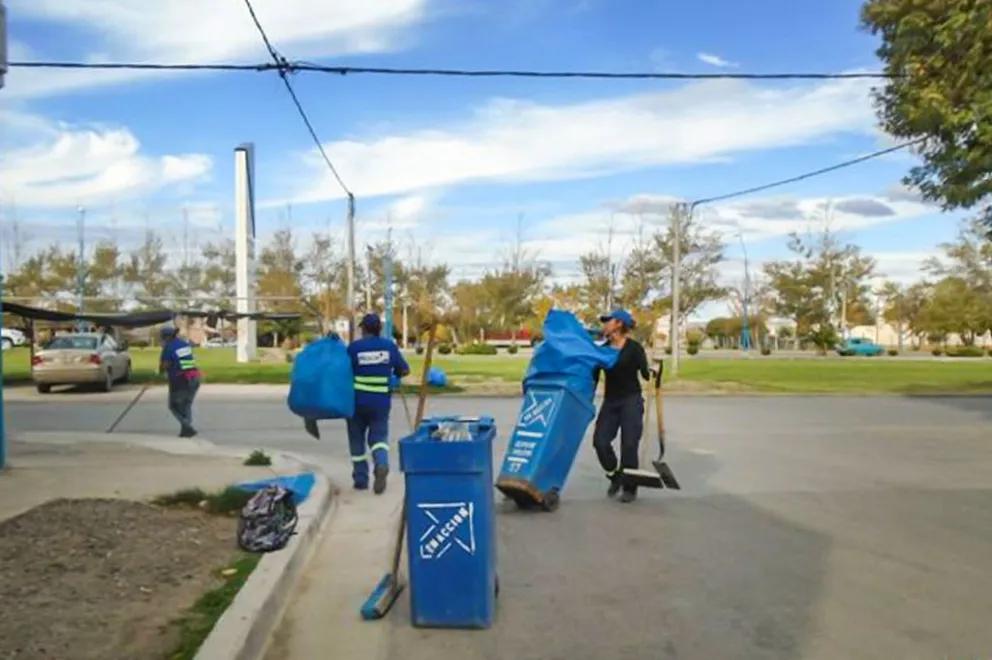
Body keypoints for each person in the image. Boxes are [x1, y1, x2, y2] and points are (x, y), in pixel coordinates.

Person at [592, 309, 651, 503]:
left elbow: (646, 373)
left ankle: (629, 487)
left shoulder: (634, 348)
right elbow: (593, 376)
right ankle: (614, 475)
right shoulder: (603, 349)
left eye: (607, 321)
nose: (604, 325)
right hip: (611, 401)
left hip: (631, 400)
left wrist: (655, 370)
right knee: (600, 442)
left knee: (629, 444)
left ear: (618, 324)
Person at [346, 313, 410, 494]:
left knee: (356, 439)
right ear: (379, 329)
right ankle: (381, 463)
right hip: (380, 402)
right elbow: (404, 369)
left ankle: (360, 479)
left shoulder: (354, 348)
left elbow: (342, 371)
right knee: (379, 438)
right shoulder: (388, 347)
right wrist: (395, 372)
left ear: (363, 329)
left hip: (356, 402)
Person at [158, 325, 202, 438]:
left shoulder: (168, 347)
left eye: (162, 337)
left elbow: (165, 365)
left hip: (180, 379)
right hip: (194, 376)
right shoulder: (184, 344)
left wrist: (160, 372)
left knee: (173, 405)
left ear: (166, 337)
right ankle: (185, 430)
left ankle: (187, 426)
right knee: (186, 404)